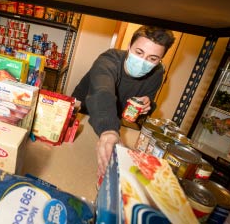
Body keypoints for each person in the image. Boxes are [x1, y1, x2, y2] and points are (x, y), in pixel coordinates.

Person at [72, 25, 175, 177]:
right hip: (82, 116)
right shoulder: (108, 59)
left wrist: (148, 105)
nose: (143, 61)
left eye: (152, 58)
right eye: (139, 52)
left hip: (114, 125)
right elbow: (102, 92)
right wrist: (109, 131)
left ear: (160, 60)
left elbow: (142, 106)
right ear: (129, 47)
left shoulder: (157, 73)